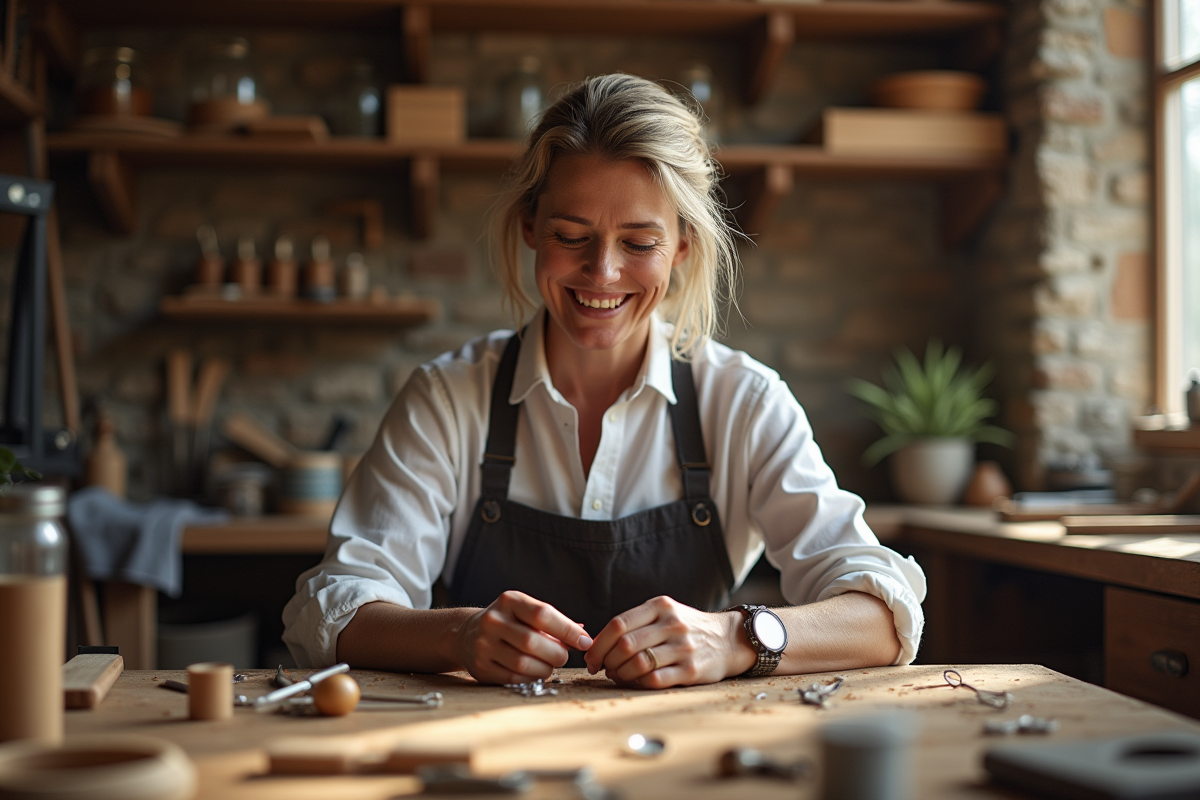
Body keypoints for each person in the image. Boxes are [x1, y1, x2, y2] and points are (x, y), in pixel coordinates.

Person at [282, 74, 926, 688]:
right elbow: (332, 612)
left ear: (682, 247)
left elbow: (884, 618)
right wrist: (458, 636)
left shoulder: (744, 402)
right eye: (571, 235)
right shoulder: (448, 400)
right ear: (531, 227)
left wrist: (734, 639)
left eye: (639, 243)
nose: (603, 272)